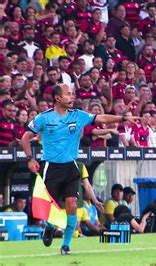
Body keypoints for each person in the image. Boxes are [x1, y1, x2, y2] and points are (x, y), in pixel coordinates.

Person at [21, 83, 140, 255]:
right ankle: (49, 226)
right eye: (68, 94)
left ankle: (66, 245)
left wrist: (122, 119)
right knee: (52, 208)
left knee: (72, 205)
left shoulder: (78, 116)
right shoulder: (43, 118)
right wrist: (30, 159)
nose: (72, 96)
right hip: (51, 168)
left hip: (71, 167)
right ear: (58, 98)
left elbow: (100, 118)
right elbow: (26, 137)